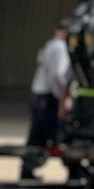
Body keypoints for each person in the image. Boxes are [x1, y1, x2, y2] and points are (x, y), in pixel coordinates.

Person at [23, 23, 74, 179]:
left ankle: (27, 171)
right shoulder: (59, 47)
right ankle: (73, 171)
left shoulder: (51, 44)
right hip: (48, 98)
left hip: (40, 97)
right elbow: (57, 76)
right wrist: (62, 98)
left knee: (37, 137)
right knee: (58, 135)